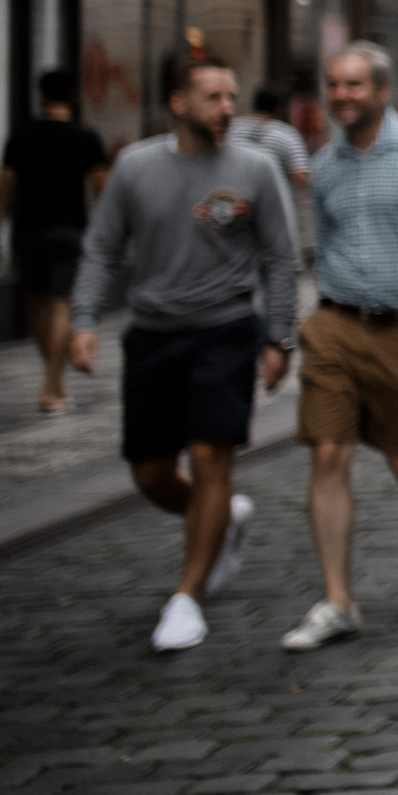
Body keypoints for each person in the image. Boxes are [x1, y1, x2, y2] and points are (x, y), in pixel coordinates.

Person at [68, 58, 296, 651]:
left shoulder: (256, 167)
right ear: (177, 102)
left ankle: (187, 597)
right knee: (149, 472)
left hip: (224, 330)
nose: (226, 107)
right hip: (152, 333)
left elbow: (279, 258)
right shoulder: (136, 167)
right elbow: (100, 247)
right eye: (212, 97)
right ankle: (223, 516)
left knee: (210, 455)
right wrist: (84, 320)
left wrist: (279, 337)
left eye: (231, 95)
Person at [282, 43, 398, 653]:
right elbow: (323, 246)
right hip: (336, 324)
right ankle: (338, 601)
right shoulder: (324, 163)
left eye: (353, 85)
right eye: (333, 85)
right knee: (328, 453)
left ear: (381, 91)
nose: (341, 95)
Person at [0, 71, 113, 411]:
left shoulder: (22, 135)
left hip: (28, 232)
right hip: (70, 231)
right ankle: (52, 383)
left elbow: (3, 188)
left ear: (41, 97)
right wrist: (107, 233)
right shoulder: (86, 137)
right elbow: (102, 187)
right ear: (73, 97)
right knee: (62, 303)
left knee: (35, 305)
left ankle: (52, 379)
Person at [231, 86, 313, 265]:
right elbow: (301, 178)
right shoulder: (286, 135)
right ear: (278, 107)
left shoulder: (233, 129)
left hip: (235, 208)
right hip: (276, 210)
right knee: (277, 261)